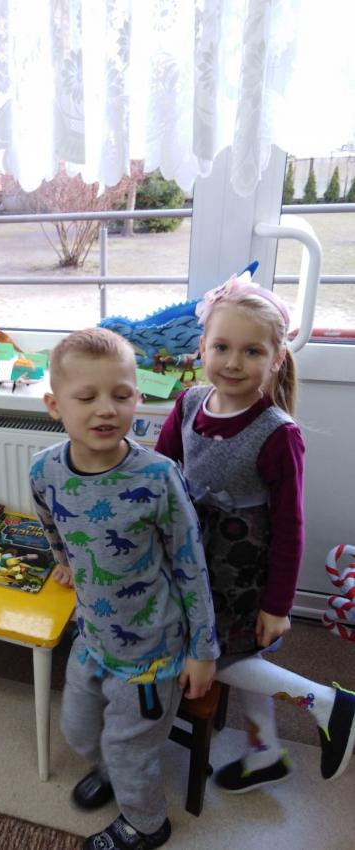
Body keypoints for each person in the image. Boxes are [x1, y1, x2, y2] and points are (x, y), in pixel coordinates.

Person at [155, 274, 355, 793]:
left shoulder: (277, 433)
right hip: (194, 557)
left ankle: (328, 704)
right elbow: (159, 470)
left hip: (240, 574)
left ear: (276, 359)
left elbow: (291, 527)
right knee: (241, 657)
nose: (233, 362)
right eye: (222, 347)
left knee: (221, 658)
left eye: (252, 351)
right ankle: (265, 751)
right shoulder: (189, 404)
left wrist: (277, 605)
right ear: (203, 346)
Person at [29, 328, 219, 850]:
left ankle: (146, 824)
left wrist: (203, 651)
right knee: (78, 730)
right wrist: (64, 562)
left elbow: (192, 565)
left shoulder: (159, 477)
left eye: (120, 395)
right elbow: (51, 522)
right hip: (92, 637)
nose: (105, 410)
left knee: (130, 747)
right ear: (55, 405)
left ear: (138, 398)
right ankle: (112, 769)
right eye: (86, 397)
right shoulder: (44, 469)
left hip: (152, 652)